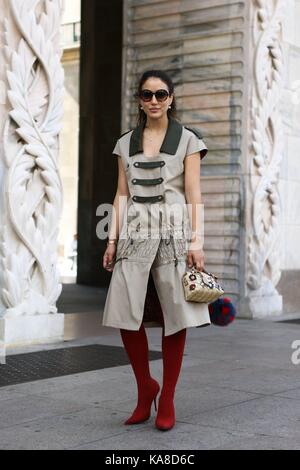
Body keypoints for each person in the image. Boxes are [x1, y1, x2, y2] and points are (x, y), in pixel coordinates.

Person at [102, 70, 211, 431]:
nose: (153, 101)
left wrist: (197, 241)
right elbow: (120, 194)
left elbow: (194, 193)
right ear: (139, 100)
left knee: (175, 317)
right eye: (147, 95)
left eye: (160, 94)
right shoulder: (125, 143)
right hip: (133, 235)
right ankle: (145, 387)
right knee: (124, 314)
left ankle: (167, 398)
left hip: (174, 236)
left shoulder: (188, 141)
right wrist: (112, 239)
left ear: (171, 98)